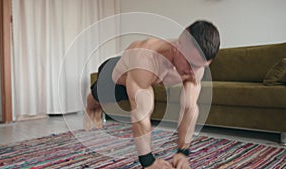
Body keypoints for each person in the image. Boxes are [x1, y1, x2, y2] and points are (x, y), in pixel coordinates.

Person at [84, 20, 220, 169]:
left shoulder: (196, 68)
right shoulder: (145, 58)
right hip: (114, 78)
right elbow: (141, 114)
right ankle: (91, 99)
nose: (193, 71)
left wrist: (183, 152)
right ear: (177, 47)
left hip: (139, 78)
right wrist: (148, 162)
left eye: (200, 66)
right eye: (190, 64)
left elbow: (189, 108)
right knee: (98, 98)